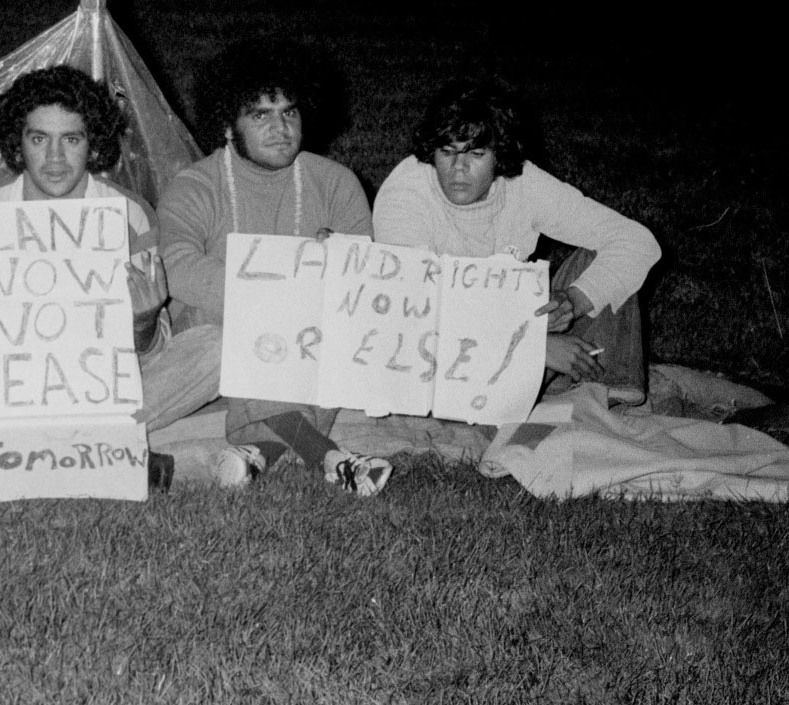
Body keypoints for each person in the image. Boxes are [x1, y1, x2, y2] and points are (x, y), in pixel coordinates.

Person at [0, 65, 221, 444]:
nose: (55, 157)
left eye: (71, 139)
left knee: (213, 348)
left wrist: (144, 322)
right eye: (39, 139)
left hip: (102, 390)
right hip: (14, 392)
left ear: (92, 144)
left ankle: (40, 447)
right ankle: (91, 445)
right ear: (18, 144)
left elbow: (151, 354)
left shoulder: (129, 216)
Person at [156, 41, 394, 496]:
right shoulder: (195, 186)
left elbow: (364, 279)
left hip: (307, 335)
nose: (280, 129)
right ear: (228, 125)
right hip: (215, 333)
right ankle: (326, 455)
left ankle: (260, 451)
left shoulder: (336, 183)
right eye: (260, 115)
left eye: (289, 112)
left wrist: (339, 259)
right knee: (246, 327)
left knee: (338, 332)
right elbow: (176, 266)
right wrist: (271, 296)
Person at [372, 77, 659, 407]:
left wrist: (574, 301)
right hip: (433, 354)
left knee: (602, 259)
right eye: (446, 152)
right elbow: (414, 309)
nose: (458, 168)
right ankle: (552, 394)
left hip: (508, 323)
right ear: (431, 152)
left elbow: (637, 241)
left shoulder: (523, 182)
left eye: (476, 153)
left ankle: (604, 394)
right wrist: (532, 346)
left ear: (500, 156)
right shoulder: (405, 194)